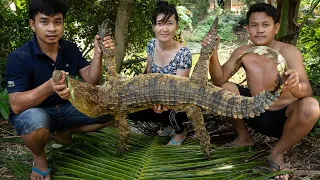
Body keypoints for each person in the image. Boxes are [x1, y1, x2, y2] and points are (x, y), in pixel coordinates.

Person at [202, 3, 319, 179]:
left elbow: (307, 90)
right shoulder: (243, 52)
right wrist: (212, 54)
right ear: (247, 28)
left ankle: (277, 153)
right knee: (224, 89)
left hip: (284, 118)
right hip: (254, 111)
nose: (260, 30)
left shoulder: (290, 52)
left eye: (265, 25)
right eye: (254, 25)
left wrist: (295, 87)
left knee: (311, 106)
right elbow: (219, 80)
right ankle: (244, 137)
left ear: (276, 28)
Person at [5, 0, 115, 179]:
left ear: (63, 23)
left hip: (68, 109)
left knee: (111, 107)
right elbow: (16, 105)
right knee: (34, 123)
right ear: (32, 24)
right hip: (37, 112)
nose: (52, 28)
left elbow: (91, 79)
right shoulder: (20, 57)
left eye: (57, 22)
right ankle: (39, 157)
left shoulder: (69, 48)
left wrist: (99, 53)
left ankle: (65, 131)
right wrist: (49, 87)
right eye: (44, 22)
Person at [127, 1, 192, 146]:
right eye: (160, 23)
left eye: (169, 23)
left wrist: (159, 102)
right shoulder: (151, 45)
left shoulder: (183, 54)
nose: (164, 29)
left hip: (176, 100)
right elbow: (148, 72)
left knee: (173, 111)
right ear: (153, 27)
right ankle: (167, 124)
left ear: (176, 26)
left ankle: (180, 133)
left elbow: (179, 90)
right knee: (128, 107)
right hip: (153, 98)